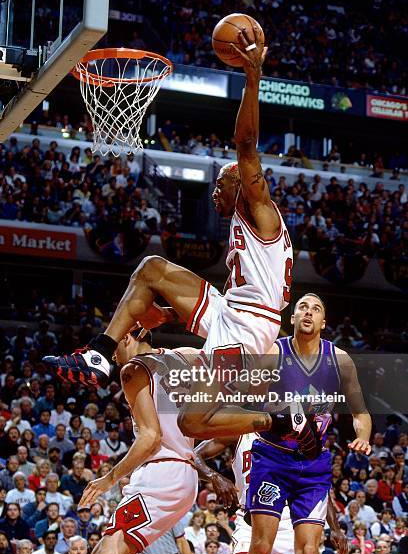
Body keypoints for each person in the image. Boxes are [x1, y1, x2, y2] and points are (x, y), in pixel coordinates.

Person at [44, 25, 295, 449]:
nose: (215, 191)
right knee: (152, 269)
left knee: (194, 424)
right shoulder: (245, 218)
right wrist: (175, 313)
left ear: (244, 184)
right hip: (230, 308)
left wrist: (253, 80)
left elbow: (246, 144)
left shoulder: (261, 209)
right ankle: (99, 352)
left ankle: (279, 420)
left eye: (221, 184)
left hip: (249, 327)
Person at [237, 293, 372, 554]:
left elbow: (360, 412)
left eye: (316, 309)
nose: (309, 312)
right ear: (293, 318)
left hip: (313, 464)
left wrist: (363, 437)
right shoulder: (274, 352)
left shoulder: (340, 360)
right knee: (260, 547)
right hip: (273, 457)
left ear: (324, 322)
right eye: (303, 308)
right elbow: (248, 402)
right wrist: (281, 413)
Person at [77, 329, 200, 554]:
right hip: (182, 473)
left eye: (113, 349)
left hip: (161, 472)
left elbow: (150, 437)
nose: (113, 357)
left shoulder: (133, 369)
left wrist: (109, 478)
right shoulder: (182, 357)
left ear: (127, 337)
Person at [195, 431, 348, 554]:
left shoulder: (299, 437)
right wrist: (213, 476)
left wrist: (335, 527)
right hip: (252, 513)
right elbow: (193, 456)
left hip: (289, 515)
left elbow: (315, 486)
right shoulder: (240, 432)